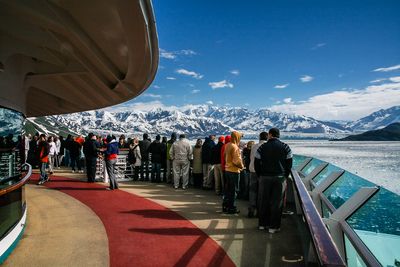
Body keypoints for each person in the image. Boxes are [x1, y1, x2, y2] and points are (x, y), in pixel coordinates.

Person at [255, 128, 293, 233]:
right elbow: (289, 163)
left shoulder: (262, 147)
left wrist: (260, 175)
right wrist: (285, 175)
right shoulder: (285, 147)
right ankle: (273, 227)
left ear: (270, 135)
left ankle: (262, 224)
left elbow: (256, 162)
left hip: (264, 177)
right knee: (277, 202)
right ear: (279, 135)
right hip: (279, 178)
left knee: (263, 201)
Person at [247, 132, 268, 218]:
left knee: (252, 191)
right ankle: (260, 211)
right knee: (261, 192)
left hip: (252, 170)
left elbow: (251, 157)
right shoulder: (267, 146)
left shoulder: (254, 146)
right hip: (262, 172)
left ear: (259, 138)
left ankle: (251, 210)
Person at [223, 131, 244, 214]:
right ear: (236, 137)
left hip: (227, 170)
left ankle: (225, 206)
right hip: (234, 171)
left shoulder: (227, 145)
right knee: (234, 190)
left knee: (228, 190)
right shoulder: (235, 147)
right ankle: (232, 207)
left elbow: (225, 156)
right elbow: (237, 161)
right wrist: (242, 166)